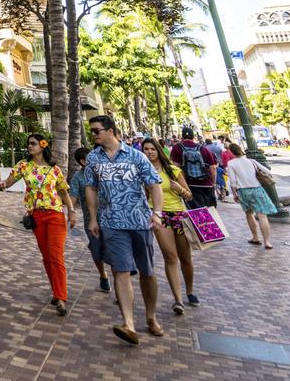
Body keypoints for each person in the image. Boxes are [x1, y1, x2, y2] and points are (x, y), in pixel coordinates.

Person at [84, 113, 165, 345]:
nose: (94, 135)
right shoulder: (93, 158)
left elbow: (154, 184)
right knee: (120, 270)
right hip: (111, 223)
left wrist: (157, 213)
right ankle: (128, 323)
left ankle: (151, 316)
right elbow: (90, 188)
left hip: (140, 221)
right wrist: (93, 218)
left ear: (110, 130)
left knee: (147, 272)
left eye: (96, 130)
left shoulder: (136, 156)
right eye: (92, 131)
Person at [0, 133, 76, 315]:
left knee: (56, 255)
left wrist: (71, 211)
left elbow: (64, 193)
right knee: (47, 256)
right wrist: (3, 184)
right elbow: (9, 182)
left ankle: (61, 296)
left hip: (55, 215)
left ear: (43, 145)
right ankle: (56, 292)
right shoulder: (24, 166)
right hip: (36, 217)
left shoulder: (54, 169)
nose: (29, 146)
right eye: (28, 144)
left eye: (33, 143)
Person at [141, 137, 200, 313]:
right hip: (159, 216)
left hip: (179, 215)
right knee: (170, 256)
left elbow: (189, 195)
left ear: (159, 150)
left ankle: (189, 291)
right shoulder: (143, 172)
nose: (149, 152)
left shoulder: (173, 170)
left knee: (185, 258)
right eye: (146, 149)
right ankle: (178, 299)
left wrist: (179, 190)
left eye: (152, 148)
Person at [69, 146, 110, 293]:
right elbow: (72, 196)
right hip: (91, 221)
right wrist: (71, 212)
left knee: (114, 250)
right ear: (82, 161)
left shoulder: (105, 172)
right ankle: (103, 275)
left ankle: (120, 281)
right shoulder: (77, 178)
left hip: (111, 219)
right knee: (97, 251)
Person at [225, 142, 275, 249]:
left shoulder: (231, 163)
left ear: (231, 152)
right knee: (262, 215)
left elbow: (233, 181)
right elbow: (267, 171)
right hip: (257, 189)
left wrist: (234, 194)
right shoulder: (252, 161)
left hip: (243, 191)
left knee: (249, 213)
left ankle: (255, 237)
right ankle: (267, 242)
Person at [170, 127, 217, 208]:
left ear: (182, 136)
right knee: (211, 212)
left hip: (190, 186)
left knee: (197, 214)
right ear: (193, 136)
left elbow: (176, 169)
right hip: (207, 185)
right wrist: (213, 183)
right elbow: (213, 168)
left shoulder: (177, 148)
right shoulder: (203, 148)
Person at [205, 135, 229, 200]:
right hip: (219, 164)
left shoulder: (205, 149)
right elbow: (221, 154)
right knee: (222, 177)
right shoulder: (217, 147)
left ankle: (219, 194)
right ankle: (224, 191)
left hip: (210, 166)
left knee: (215, 183)